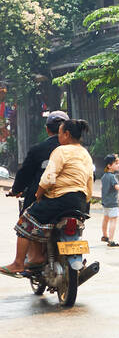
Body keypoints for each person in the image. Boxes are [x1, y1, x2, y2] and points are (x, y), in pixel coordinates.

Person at [2, 118, 95, 276]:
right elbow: (89, 180)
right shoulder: (85, 153)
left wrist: (38, 194)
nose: (59, 137)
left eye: (60, 133)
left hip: (60, 200)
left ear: (66, 134)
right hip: (79, 201)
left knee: (25, 221)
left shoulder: (61, 151)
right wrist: (85, 201)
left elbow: (49, 177)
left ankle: (18, 263)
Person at [4, 111, 68, 272]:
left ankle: (24, 260)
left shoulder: (43, 150)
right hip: (78, 201)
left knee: (26, 219)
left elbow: (33, 177)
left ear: (48, 129)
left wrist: (17, 190)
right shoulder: (79, 151)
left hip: (50, 200)